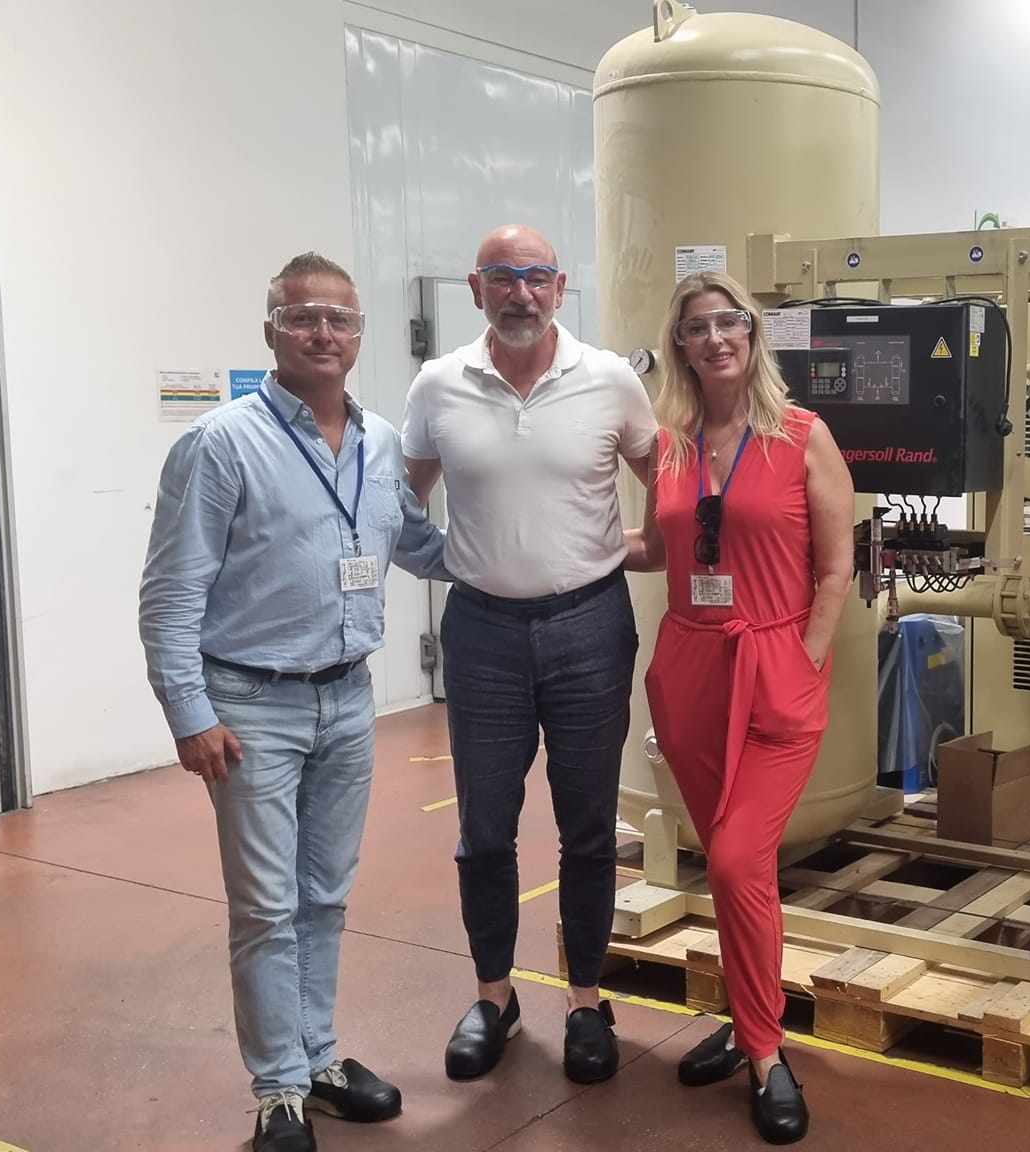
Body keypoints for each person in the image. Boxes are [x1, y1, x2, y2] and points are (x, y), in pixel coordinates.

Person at [139, 252, 451, 1152]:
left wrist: (539, 551)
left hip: (347, 701)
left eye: (339, 319)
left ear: (360, 335)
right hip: (251, 707)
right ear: (271, 331)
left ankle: (317, 1058)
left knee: (324, 896)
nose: (323, 333)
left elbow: (420, 547)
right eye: (303, 317)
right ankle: (278, 1086)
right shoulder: (220, 444)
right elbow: (169, 595)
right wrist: (190, 713)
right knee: (266, 906)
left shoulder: (380, 442)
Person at [400, 224, 657, 1085]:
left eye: (536, 277)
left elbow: (674, 486)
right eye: (503, 277)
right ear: (476, 289)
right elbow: (401, 500)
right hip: (482, 636)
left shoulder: (610, 380)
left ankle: (586, 1002)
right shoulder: (439, 385)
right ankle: (494, 999)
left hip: (590, 627)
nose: (521, 293)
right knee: (484, 831)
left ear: (560, 287)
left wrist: (636, 550)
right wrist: (454, 562)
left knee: (588, 828)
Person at [624, 271, 856, 1145]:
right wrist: (562, 543)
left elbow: (836, 567)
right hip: (690, 669)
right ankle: (747, 1019)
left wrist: (805, 657)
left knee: (733, 859)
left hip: (773, 668)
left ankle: (764, 1050)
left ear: (753, 335)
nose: (715, 338)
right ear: (680, 345)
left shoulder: (802, 435)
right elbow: (663, 547)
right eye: (697, 327)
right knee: (732, 868)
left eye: (730, 322)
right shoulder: (672, 445)